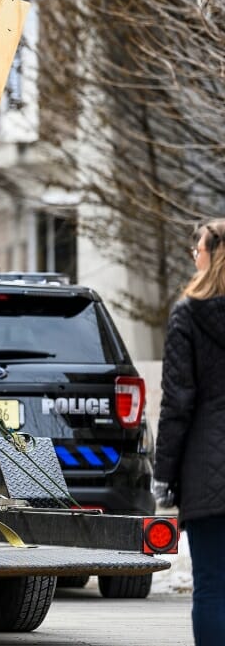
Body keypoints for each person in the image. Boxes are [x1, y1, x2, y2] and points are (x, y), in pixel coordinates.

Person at [155, 219, 225, 646]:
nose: (193, 257)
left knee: (213, 586)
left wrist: (164, 475)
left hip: (208, 475)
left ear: (211, 255)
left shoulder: (188, 313)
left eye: (196, 249)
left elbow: (177, 402)